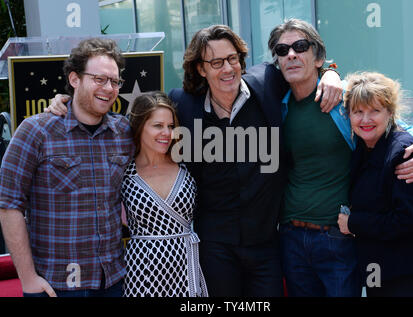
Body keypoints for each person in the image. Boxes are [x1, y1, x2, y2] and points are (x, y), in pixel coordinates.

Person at [47, 25, 343, 297]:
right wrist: (69, 102)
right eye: (216, 62)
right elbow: (142, 123)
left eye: (233, 59)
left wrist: (331, 71)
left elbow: (301, 66)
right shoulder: (183, 104)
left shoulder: (266, 83)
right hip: (214, 247)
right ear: (201, 69)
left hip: (266, 243)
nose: (227, 68)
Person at [269, 18, 413, 297]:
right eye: (282, 50)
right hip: (291, 236)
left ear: (318, 57)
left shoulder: (343, 99)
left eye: (300, 46)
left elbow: (391, 124)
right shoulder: (277, 106)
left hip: (337, 237)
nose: (291, 54)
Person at [0, 38, 134, 297]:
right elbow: (8, 204)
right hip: (57, 286)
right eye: (99, 79)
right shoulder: (36, 131)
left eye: (114, 81)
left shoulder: (125, 132)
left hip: (115, 281)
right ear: (75, 79)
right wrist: (27, 278)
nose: (109, 88)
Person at [338, 71, 413, 297]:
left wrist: (353, 223)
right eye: (358, 112)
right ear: (348, 115)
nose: (366, 119)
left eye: (375, 111)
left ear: (390, 113)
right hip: (380, 271)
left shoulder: (404, 152)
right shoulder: (362, 148)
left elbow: (407, 220)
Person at [121, 91, 208, 297]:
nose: (167, 133)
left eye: (170, 126)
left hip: (185, 270)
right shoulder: (123, 172)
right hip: (142, 275)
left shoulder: (186, 163)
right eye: (158, 126)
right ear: (140, 126)